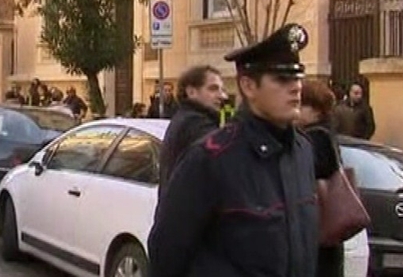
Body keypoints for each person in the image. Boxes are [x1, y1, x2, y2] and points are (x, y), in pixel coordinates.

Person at [148, 23, 318, 277]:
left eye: (297, 78)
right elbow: (167, 253)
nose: (295, 88)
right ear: (249, 86)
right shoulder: (212, 158)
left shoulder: (302, 151)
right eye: (282, 79)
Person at [296, 80, 345, 277]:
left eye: (302, 105)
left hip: (321, 225)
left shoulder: (317, 137)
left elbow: (318, 169)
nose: (296, 110)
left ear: (316, 110)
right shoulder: (319, 133)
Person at [157, 65, 226, 195]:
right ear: (191, 92)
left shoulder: (185, 118)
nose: (222, 96)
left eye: (222, 90)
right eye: (213, 89)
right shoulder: (196, 124)